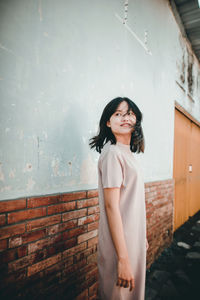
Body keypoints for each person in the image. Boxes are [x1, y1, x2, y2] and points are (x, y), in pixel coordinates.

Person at [89, 97, 149, 300]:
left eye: (130, 113)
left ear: (136, 120)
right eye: (118, 113)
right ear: (108, 122)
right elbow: (111, 206)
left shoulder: (128, 154)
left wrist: (142, 237)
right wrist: (122, 259)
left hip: (133, 240)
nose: (125, 117)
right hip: (119, 245)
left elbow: (132, 202)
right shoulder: (113, 153)